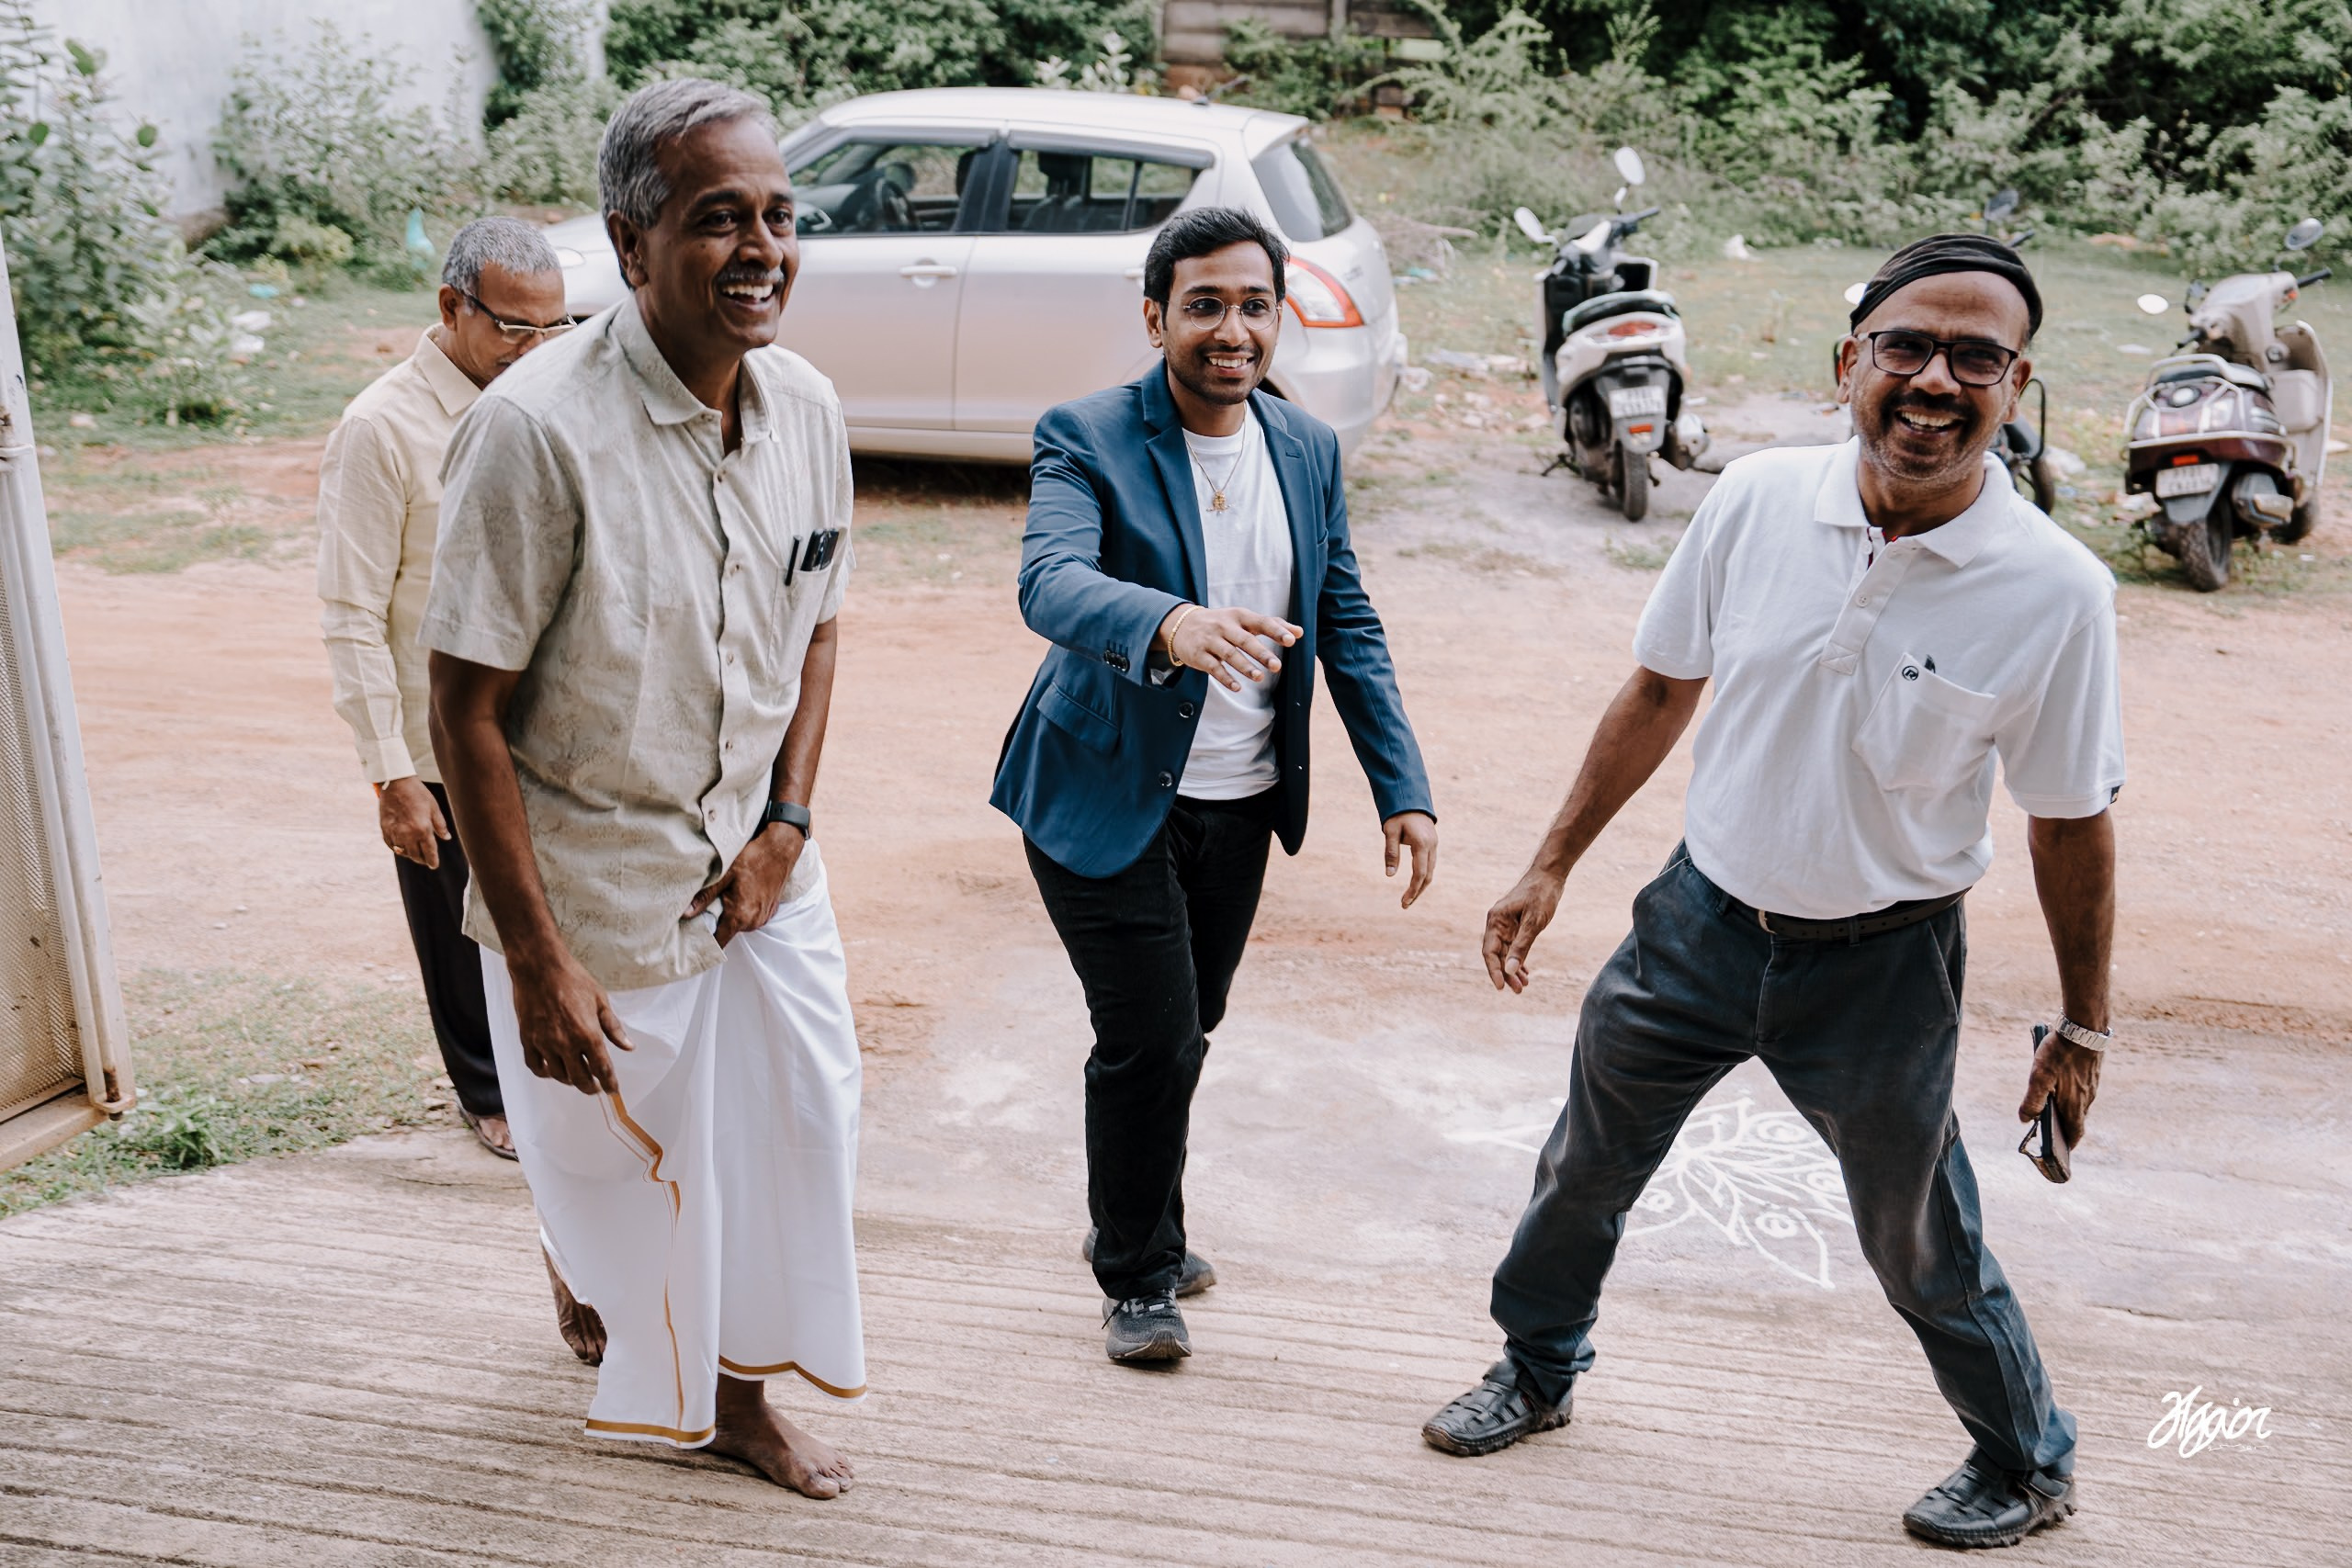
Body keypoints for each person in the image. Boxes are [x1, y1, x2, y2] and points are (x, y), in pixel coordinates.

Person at [1420, 232, 2122, 1553]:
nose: (1934, 378)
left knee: (1920, 1236)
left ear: (2015, 386)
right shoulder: (1751, 500)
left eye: (1976, 355)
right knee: (1583, 1168)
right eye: (1907, 344)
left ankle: (2027, 1458)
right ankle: (1538, 1365)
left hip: (1882, 967)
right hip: (1694, 921)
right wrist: (1553, 858)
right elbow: (1660, 686)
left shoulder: (2057, 592)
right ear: (1846, 362)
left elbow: (2070, 819)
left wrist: (2083, 1023)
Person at [423, 78, 863, 1499]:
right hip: (593, 881)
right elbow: (464, 707)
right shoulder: (536, 431)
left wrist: (789, 823)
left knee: (803, 1115)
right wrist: (537, 959)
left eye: (781, 217)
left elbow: (822, 619)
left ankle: (715, 1366)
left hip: (755, 862)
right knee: (625, 1148)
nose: (762, 249)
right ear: (630, 243)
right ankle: (712, 1388)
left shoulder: (806, 408)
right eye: (717, 218)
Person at [991, 207, 1439, 1366]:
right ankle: (1135, 1275)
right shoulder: (1084, 435)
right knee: (1148, 1036)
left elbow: (1344, 615)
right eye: (1205, 305)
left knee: (1192, 1027)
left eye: (1253, 305)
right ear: (1156, 319)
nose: (1231, 329)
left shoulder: (1306, 447)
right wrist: (1171, 624)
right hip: (1101, 792)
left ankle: (1151, 1217)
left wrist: (1402, 783)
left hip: (1240, 800)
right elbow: (1049, 582)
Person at [316, 216, 570, 1160]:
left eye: (557, 329)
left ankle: (555, 1069)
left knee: (547, 910)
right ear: (451, 307)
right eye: (513, 328)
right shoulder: (379, 429)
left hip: (544, 724)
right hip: (437, 742)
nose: (535, 350)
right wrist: (391, 775)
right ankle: (486, 1093)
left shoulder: (552, 400)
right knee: (459, 929)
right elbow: (348, 612)